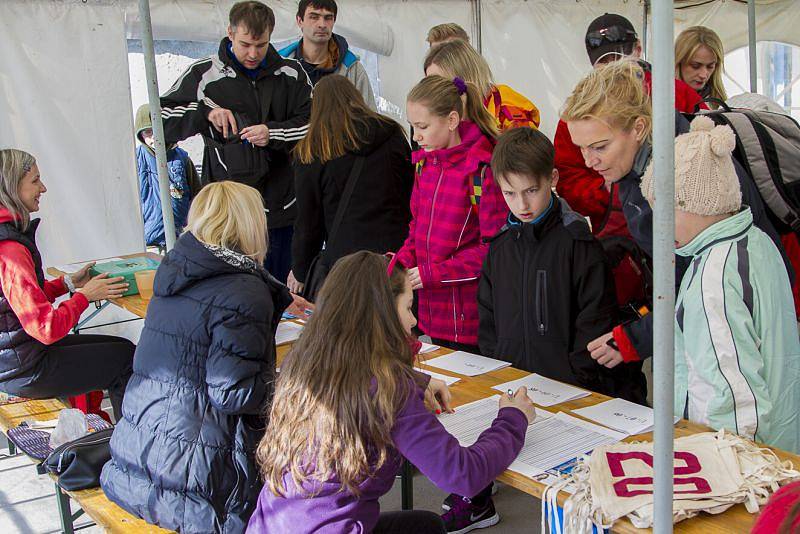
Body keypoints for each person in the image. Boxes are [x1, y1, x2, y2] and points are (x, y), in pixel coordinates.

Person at [247, 251, 536, 534]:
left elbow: (361, 377)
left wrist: (417, 382)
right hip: (332, 526)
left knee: (425, 525)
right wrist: (513, 418)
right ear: (383, 313)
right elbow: (464, 475)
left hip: (275, 522)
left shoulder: (308, 360)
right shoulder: (389, 389)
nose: (414, 322)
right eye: (408, 308)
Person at [560, 60, 790, 366]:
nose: (589, 161)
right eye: (582, 148)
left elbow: (702, 286)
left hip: (739, 334)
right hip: (709, 328)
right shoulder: (637, 170)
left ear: (639, 128)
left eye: (600, 147)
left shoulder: (691, 176)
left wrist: (637, 338)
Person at [101, 181, 295, 533]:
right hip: (195, 485)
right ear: (250, 225)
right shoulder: (244, 290)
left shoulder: (176, 271)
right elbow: (233, 392)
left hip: (135, 461)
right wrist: (291, 386)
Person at [640, 116, 800, 453]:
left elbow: (732, 394)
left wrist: (727, 469)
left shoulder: (714, 276)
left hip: (736, 461)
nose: (659, 226)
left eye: (662, 211)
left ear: (689, 206)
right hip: (782, 444)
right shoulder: (755, 241)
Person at [479, 127, 645, 402]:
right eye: (510, 193)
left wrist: (575, 379)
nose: (522, 204)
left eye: (531, 190)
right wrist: (500, 371)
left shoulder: (579, 244)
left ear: (552, 178)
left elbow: (594, 324)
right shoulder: (499, 249)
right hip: (515, 390)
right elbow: (488, 323)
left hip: (570, 393)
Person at [158, 1, 312, 283]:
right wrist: (205, 113)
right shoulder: (204, 73)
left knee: (282, 298)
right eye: (245, 45)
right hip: (227, 215)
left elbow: (314, 126)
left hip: (283, 211)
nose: (253, 54)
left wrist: (272, 133)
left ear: (271, 36)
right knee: (231, 293)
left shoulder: (292, 74)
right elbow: (159, 121)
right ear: (230, 32)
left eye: (261, 45)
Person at [0, 149, 134, 419]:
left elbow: (17, 303)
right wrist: (85, 296)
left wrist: (68, 284)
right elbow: (46, 328)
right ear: (14, 187)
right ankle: (128, 450)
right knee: (126, 361)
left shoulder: (8, 239)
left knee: (125, 350)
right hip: (25, 370)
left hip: (18, 359)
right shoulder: (11, 251)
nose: (43, 188)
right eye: (36, 180)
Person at [396, 75, 506, 353]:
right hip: (431, 317)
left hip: (471, 322)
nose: (416, 136)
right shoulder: (424, 166)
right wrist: (397, 263)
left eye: (422, 126)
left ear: (452, 120)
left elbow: (493, 250)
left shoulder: (480, 170)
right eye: (412, 127)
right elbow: (416, 230)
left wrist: (435, 273)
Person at [287, 75, 413, 298]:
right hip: (396, 255)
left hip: (346, 264)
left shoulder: (313, 150)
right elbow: (410, 193)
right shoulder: (392, 133)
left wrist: (300, 270)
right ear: (356, 97)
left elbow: (308, 223)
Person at [279, 0, 376, 110]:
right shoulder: (279, 66)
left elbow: (370, 121)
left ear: (334, 20)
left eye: (328, 18)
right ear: (299, 20)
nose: (322, 24)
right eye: (314, 17)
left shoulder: (352, 70)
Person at [424, 39, 540, 131]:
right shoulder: (438, 114)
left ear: (465, 76)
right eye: (429, 83)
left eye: (440, 82)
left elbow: (525, 157)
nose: (433, 90)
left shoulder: (506, 111)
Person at [134, 104, 201, 248]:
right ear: (140, 134)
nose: (154, 137)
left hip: (178, 241)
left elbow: (197, 197)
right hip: (145, 242)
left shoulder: (182, 159)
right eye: (147, 132)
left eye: (158, 129)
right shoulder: (134, 160)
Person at [675, 26, 727, 107]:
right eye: (695, 66)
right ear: (679, 62)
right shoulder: (656, 100)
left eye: (710, 66)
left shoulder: (721, 105)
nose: (703, 75)